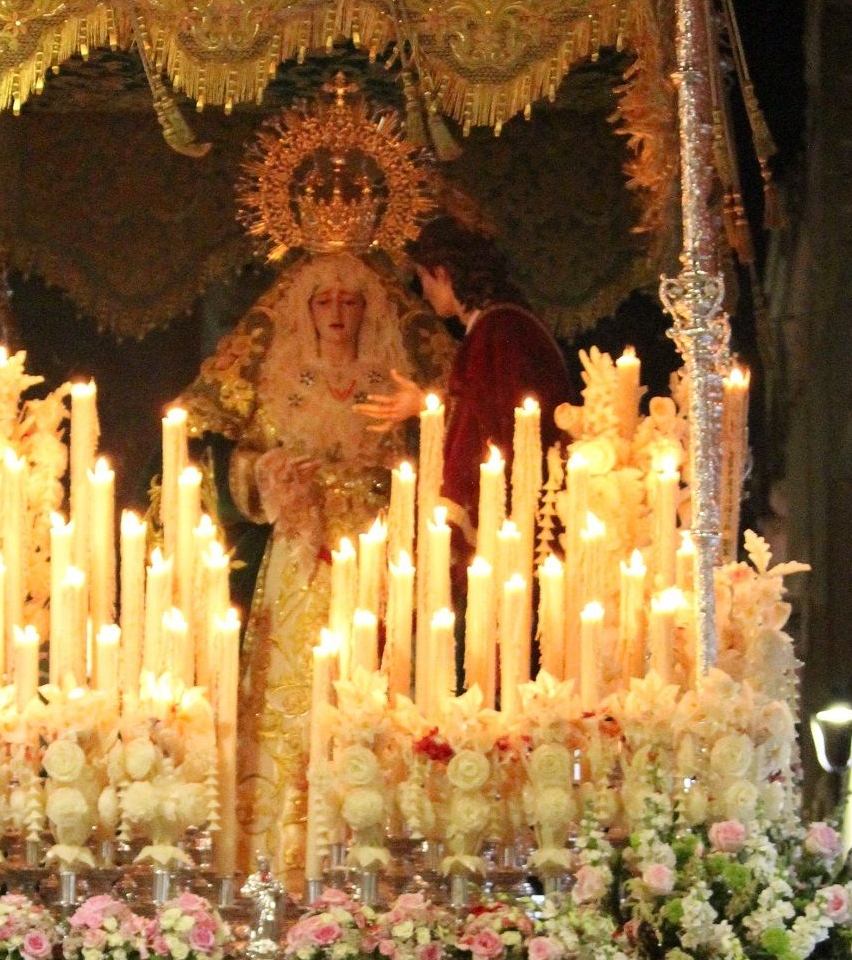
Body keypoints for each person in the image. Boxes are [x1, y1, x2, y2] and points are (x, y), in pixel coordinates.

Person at [182, 247, 448, 873]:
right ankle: (274, 848)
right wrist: (267, 476)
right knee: (288, 687)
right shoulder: (279, 378)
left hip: (375, 549)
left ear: (368, 312)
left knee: (371, 682)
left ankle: (369, 846)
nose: (336, 313)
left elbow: (436, 456)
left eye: (350, 302)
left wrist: (413, 443)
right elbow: (227, 457)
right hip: (299, 547)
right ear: (304, 311)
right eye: (324, 301)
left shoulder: (396, 385)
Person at [361, 214, 571, 525]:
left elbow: (495, 425)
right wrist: (425, 407)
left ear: (442, 273)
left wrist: (426, 408)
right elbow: (487, 410)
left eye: (423, 279)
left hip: (520, 510)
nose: (424, 292)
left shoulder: (497, 330)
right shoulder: (501, 324)